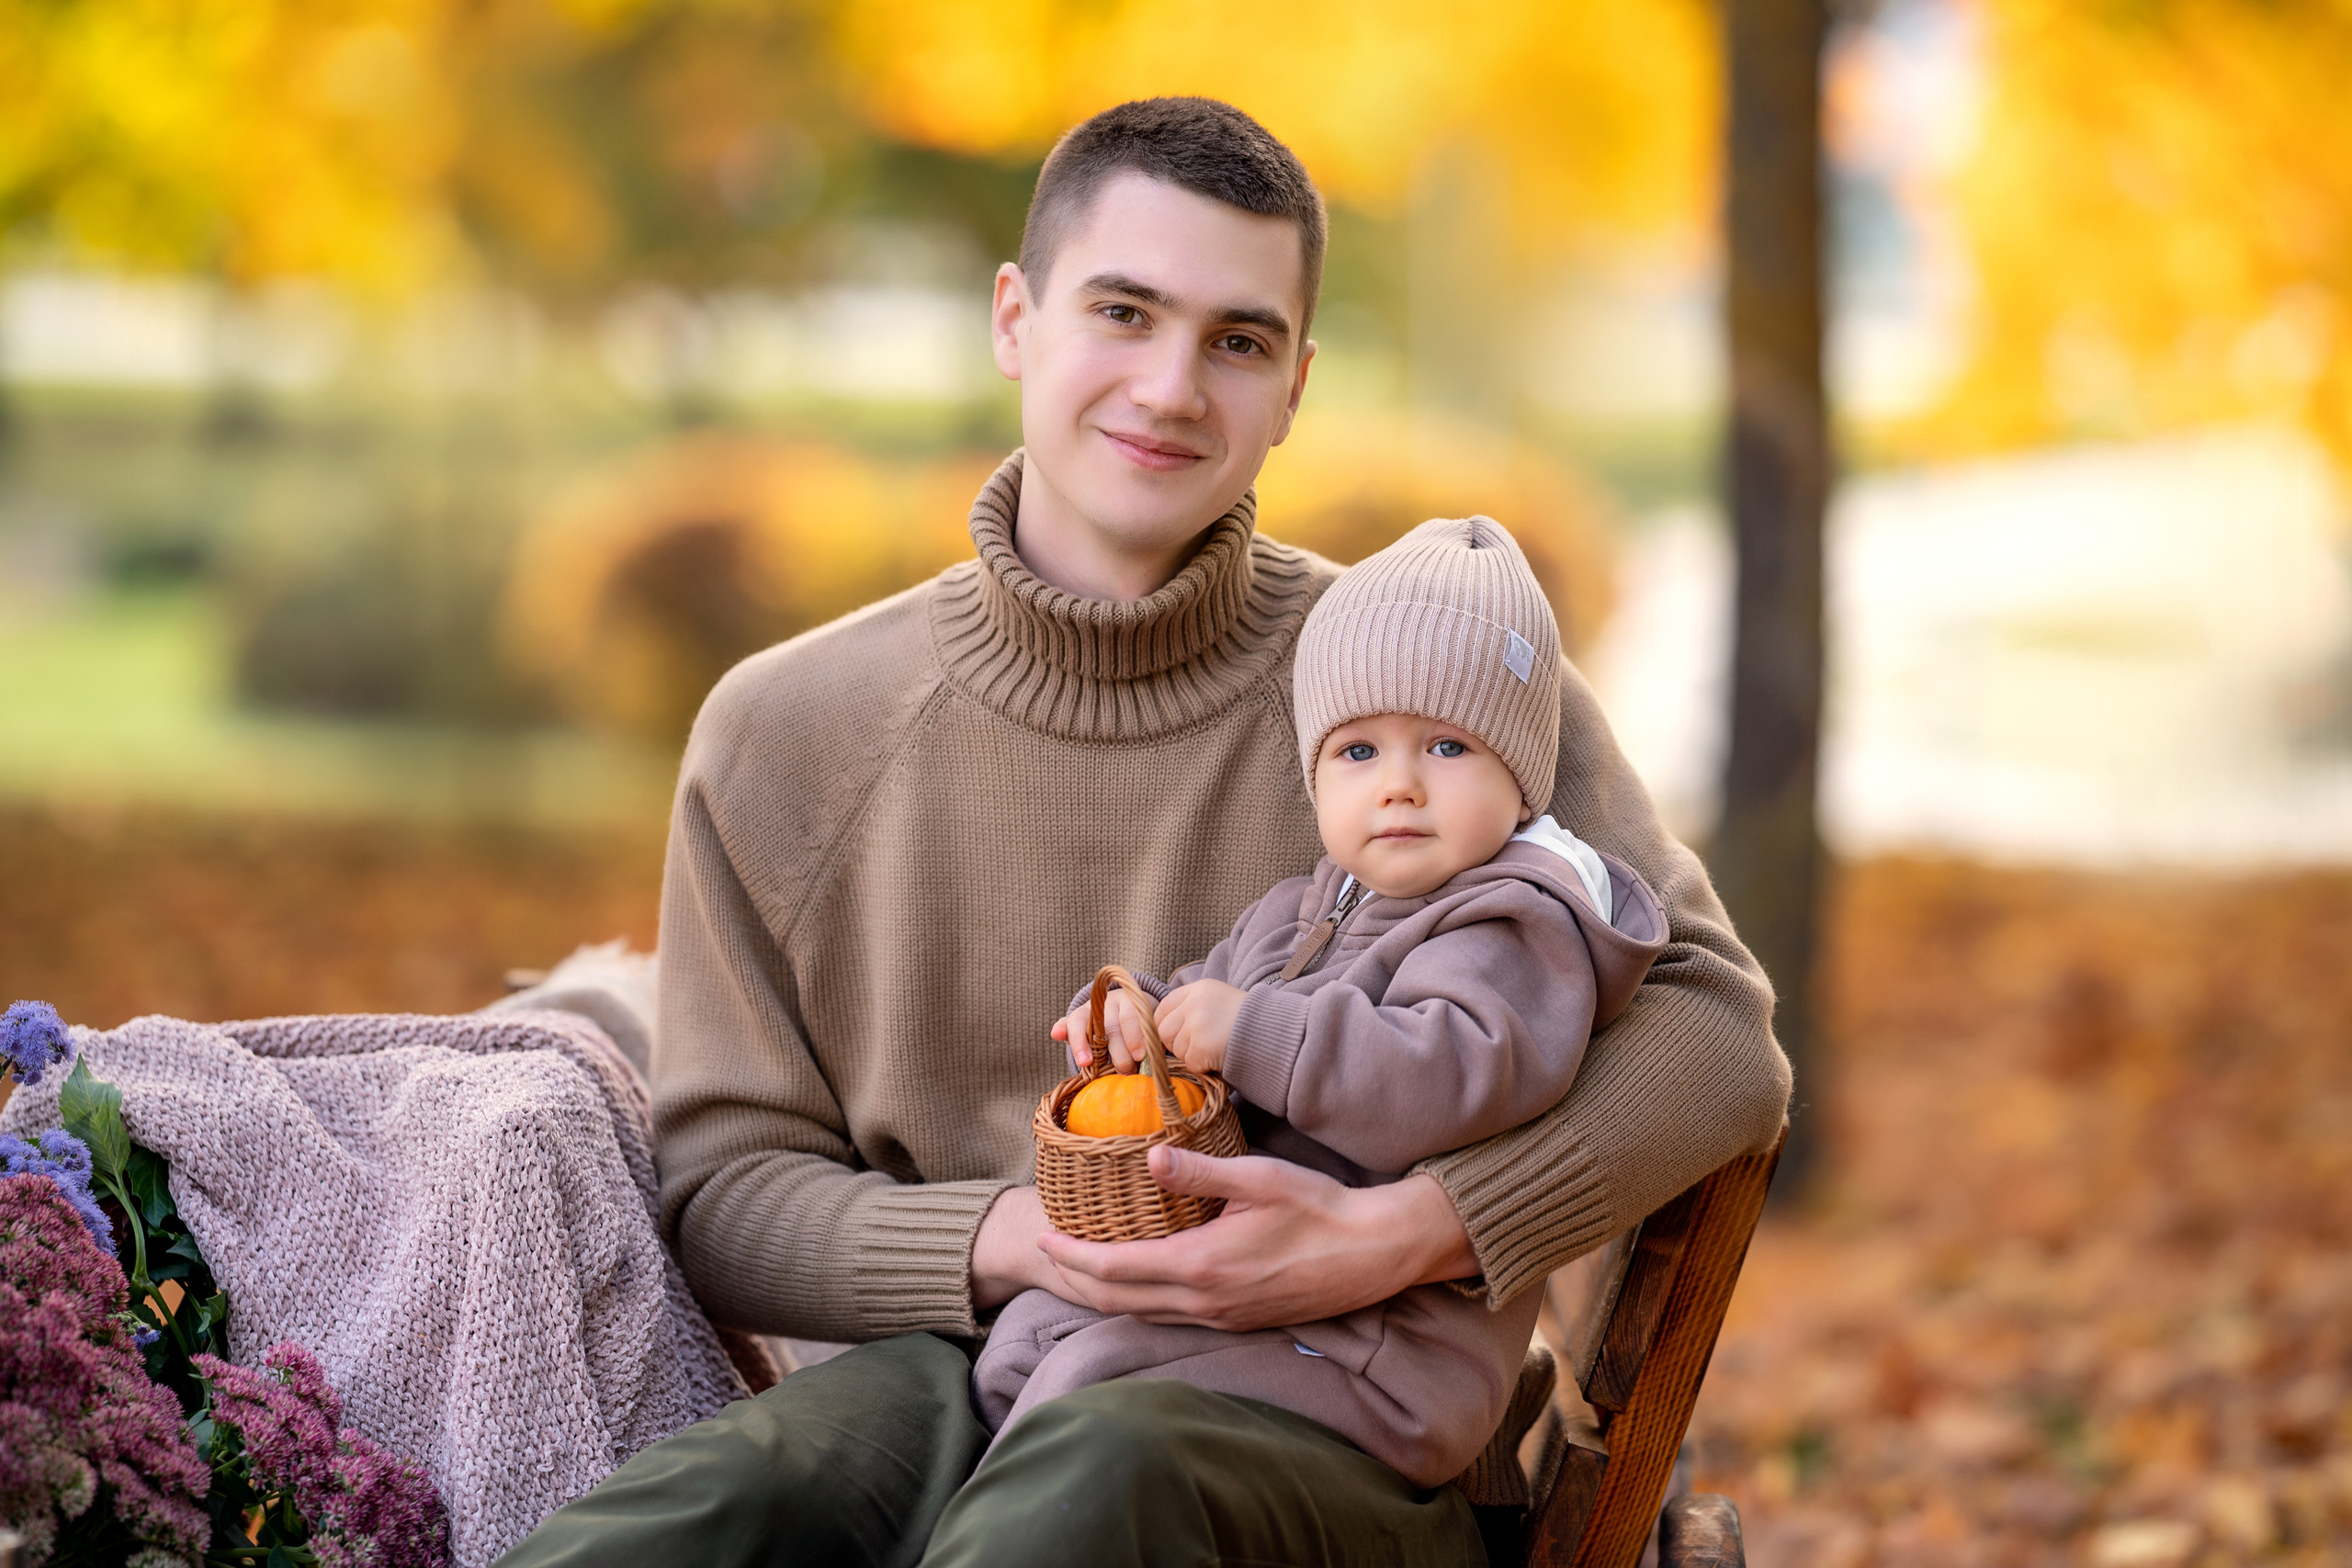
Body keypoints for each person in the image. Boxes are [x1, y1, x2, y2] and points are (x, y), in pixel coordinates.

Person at [496, 96, 1788, 1568]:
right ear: (1016, 317)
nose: (1172, 386)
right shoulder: (784, 731)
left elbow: (1717, 1032)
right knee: (703, 1514)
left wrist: (1407, 1230)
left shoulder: (1429, 696)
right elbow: (728, 1189)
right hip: (984, 1354)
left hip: (1339, 1414)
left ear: (1296, 383)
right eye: (1123, 311)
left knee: (1093, 1488)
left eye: (1237, 340)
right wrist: (1022, 1244)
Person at [978, 515, 1670, 1491]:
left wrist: (1250, 1033)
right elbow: (1204, 994)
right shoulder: (1299, 909)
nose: (1397, 786)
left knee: (1079, 1382)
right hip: (1259, 1299)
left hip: (1378, 1351)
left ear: (1521, 784)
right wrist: (1143, 1020)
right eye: (1357, 753)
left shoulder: (1511, 928)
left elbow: (1448, 1074)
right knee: (1021, 1346)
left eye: (1444, 746)